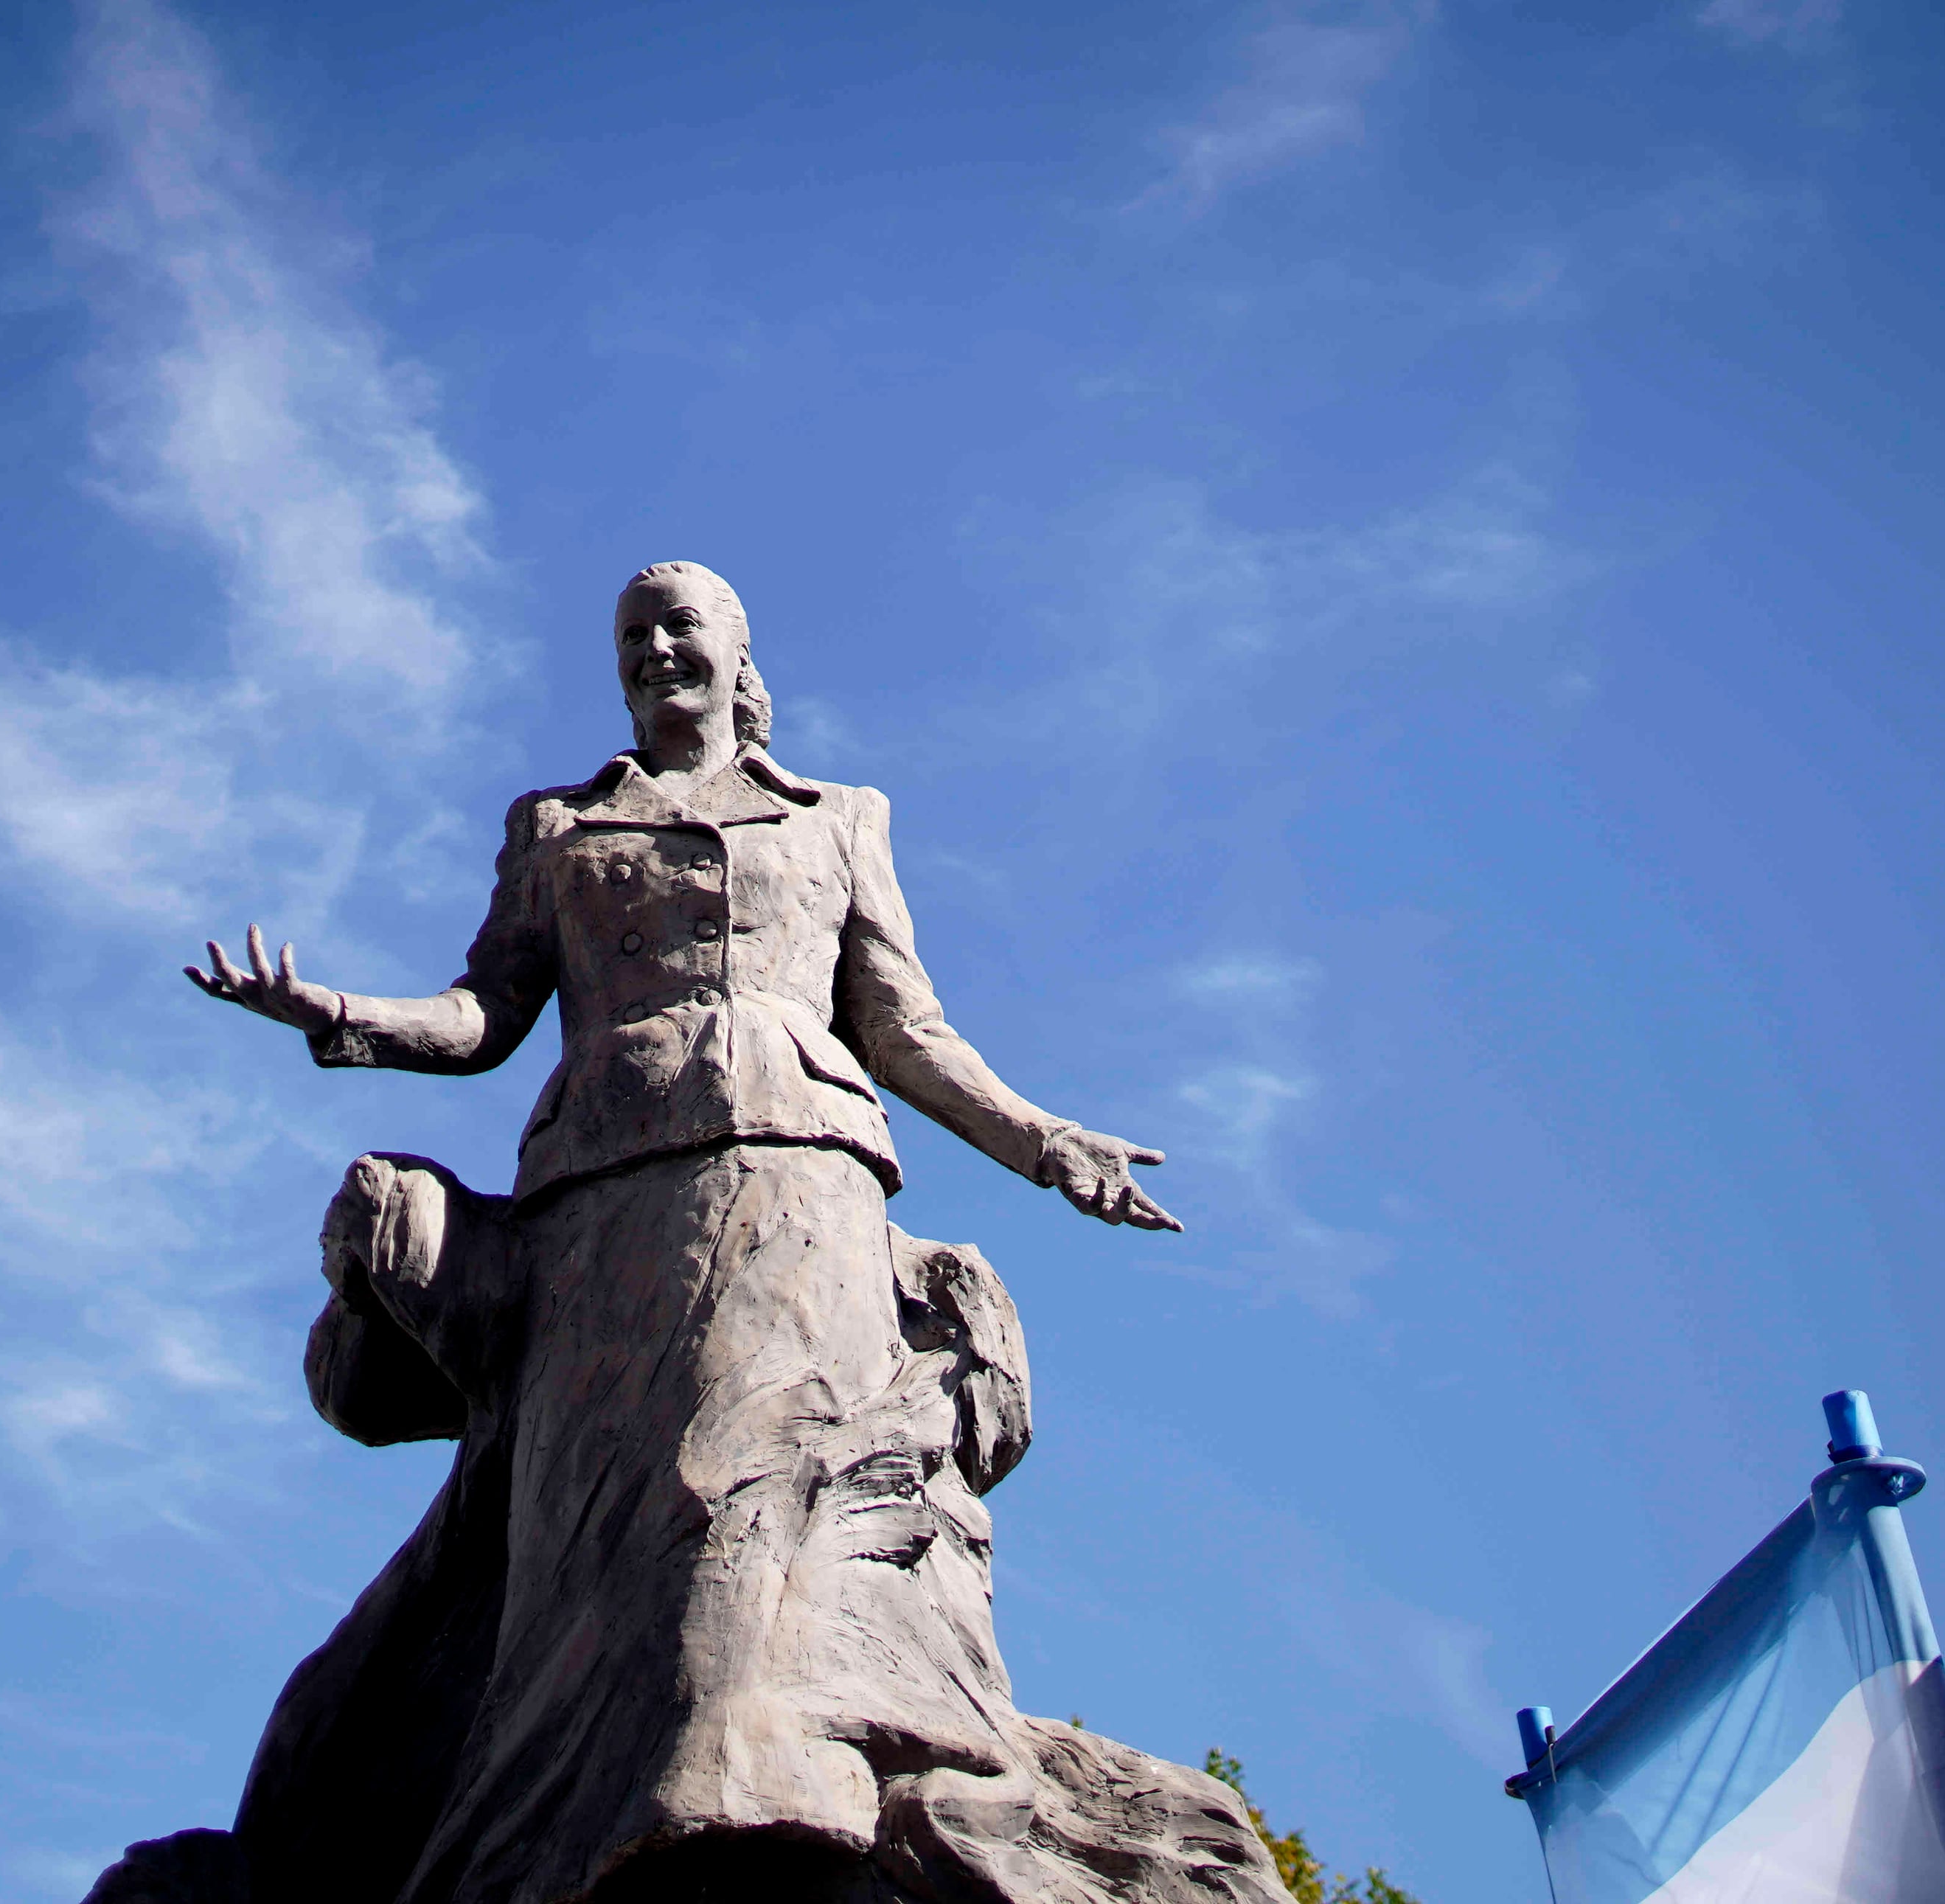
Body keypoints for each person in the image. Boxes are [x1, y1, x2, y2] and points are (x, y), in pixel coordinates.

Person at [176, 563, 1282, 1904]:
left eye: (680, 626)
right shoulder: (558, 827)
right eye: (633, 636)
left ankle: (783, 1801)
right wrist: (336, 1013)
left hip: (803, 1190)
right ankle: (571, 1841)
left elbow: (906, 1031)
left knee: (761, 1493)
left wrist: (1050, 1144)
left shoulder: (841, 821)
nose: (654, 650)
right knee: (609, 1534)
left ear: (738, 650)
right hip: (605, 1209)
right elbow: (484, 1015)